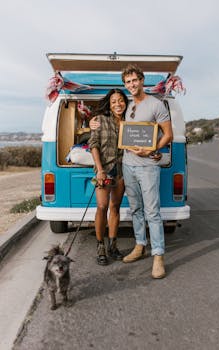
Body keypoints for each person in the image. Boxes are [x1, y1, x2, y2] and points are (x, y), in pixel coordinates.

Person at [121, 64, 173, 279]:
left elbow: (168, 134)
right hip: (128, 164)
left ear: (142, 80)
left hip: (148, 167)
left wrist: (152, 149)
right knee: (136, 209)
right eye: (127, 82)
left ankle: (158, 255)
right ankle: (140, 245)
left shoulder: (156, 104)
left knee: (152, 211)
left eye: (134, 80)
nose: (132, 85)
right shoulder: (128, 105)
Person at [88, 89, 128, 266]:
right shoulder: (100, 121)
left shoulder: (131, 122)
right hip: (104, 170)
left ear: (125, 103)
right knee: (102, 206)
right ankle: (100, 247)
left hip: (122, 170)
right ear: (109, 104)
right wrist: (99, 169)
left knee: (115, 207)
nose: (117, 104)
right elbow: (93, 144)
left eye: (120, 100)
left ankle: (113, 245)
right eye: (113, 101)